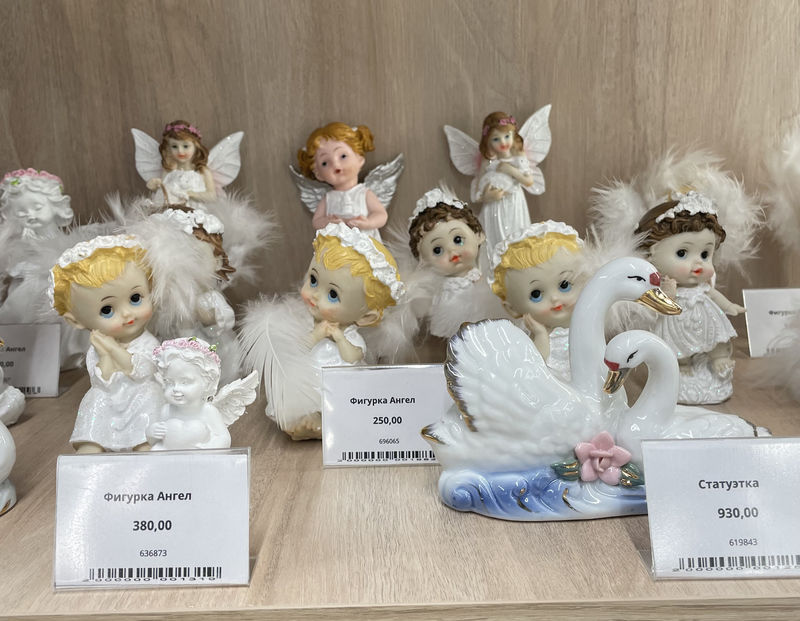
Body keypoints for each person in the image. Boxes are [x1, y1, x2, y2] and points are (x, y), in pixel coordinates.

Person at [49, 234, 163, 452]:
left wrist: (111, 348)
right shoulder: (96, 349)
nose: (127, 313)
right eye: (107, 310)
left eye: (135, 298)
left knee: (151, 394)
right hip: (112, 398)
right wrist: (104, 355)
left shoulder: (148, 342)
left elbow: (143, 371)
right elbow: (104, 381)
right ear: (76, 321)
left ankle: (144, 442)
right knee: (95, 398)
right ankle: (92, 443)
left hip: (142, 394)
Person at [489, 221, 585, 382]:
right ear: (512, 309)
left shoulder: (585, 323)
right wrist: (540, 335)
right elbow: (534, 369)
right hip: (552, 387)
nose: (554, 298)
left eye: (564, 285)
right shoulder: (528, 339)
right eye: (536, 294)